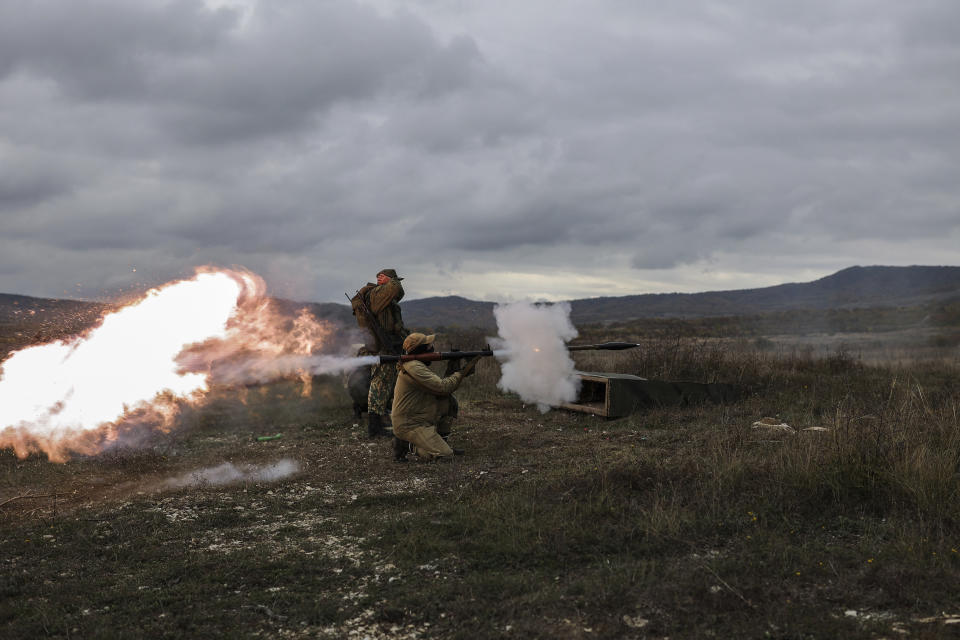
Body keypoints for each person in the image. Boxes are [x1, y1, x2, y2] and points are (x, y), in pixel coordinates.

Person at [391, 333, 481, 462]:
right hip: (410, 424)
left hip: (419, 416)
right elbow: (443, 387)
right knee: (444, 455)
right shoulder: (414, 367)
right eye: (428, 347)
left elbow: (441, 391)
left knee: (449, 402)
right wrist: (463, 371)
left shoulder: (415, 364)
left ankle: (440, 443)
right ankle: (406, 444)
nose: (432, 349)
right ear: (420, 350)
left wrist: (453, 367)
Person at [351, 268, 409, 438]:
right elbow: (396, 289)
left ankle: (378, 424)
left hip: (388, 346)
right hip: (383, 348)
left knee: (384, 385)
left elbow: (397, 293)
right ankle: (375, 428)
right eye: (380, 277)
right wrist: (393, 280)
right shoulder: (376, 293)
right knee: (380, 384)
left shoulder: (382, 296)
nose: (380, 279)